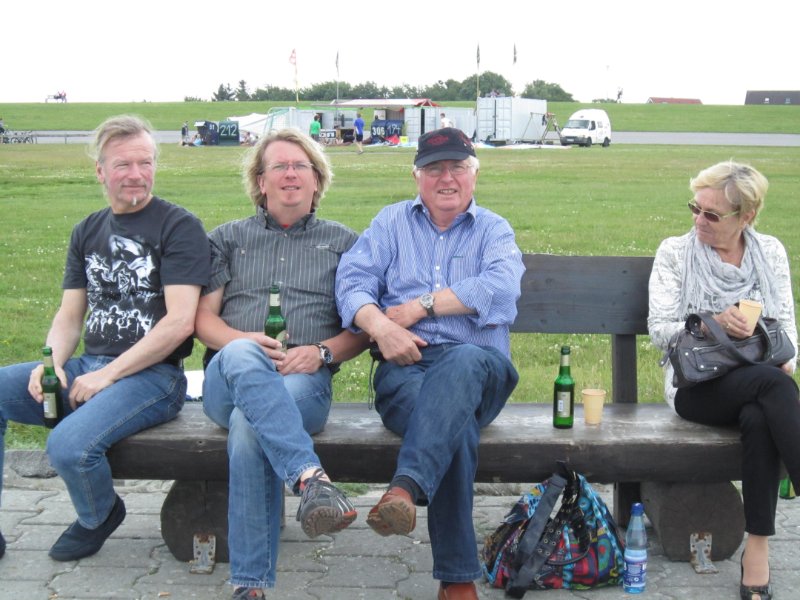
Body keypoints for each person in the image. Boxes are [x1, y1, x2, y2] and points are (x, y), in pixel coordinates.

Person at [0, 115, 211, 562]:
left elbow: (179, 323)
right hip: (89, 368)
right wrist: (52, 363)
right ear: (100, 170)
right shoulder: (87, 230)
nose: (136, 174)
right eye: (123, 165)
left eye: (145, 162)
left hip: (153, 378)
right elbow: (69, 315)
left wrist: (109, 375)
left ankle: (99, 514)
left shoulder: (178, 226)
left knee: (67, 446)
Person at [335, 127, 524, 600]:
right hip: (407, 366)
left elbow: (502, 290)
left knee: (462, 360)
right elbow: (352, 284)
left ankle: (404, 487)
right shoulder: (390, 223)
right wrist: (382, 329)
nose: (447, 178)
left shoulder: (493, 230)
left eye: (457, 167)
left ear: (474, 174)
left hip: (480, 368)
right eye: (435, 169)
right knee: (452, 425)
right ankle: (456, 580)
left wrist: (421, 307)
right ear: (416, 176)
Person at [195, 128, 367, 600]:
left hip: (302, 380)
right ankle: (311, 477)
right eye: (279, 166)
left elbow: (363, 329)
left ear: (317, 180)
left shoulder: (345, 243)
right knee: (240, 354)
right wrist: (244, 342)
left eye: (300, 166)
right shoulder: (227, 239)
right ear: (260, 180)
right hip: (228, 380)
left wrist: (322, 352)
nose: (290, 174)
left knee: (249, 426)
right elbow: (203, 320)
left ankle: (249, 586)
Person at [648, 161, 798, 600]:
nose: (699, 220)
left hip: (757, 383)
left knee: (759, 415)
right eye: (696, 208)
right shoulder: (676, 252)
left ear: (746, 216)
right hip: (695, 385)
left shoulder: (770, 253)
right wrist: (712, 323)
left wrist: (778, 353)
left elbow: (788, 330)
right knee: (772, 388)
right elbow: (659, 329)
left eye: (712, 214)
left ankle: (757, 550)